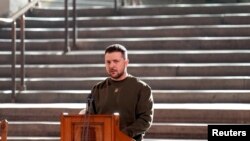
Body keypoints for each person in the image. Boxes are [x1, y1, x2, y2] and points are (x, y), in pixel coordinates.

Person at [85, 44, 154, 141]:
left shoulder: (142, 88)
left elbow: (145, 120)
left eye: (116, 61)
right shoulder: (97, 88)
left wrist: (121, 135)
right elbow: (90, 119)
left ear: (126, 62)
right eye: (108, 62)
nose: (111, 65)